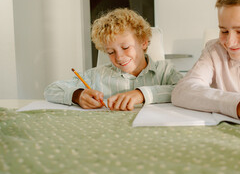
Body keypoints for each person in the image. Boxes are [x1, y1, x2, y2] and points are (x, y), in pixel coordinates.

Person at [44, 8, 183, 111]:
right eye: (110, 52)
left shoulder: (165, 71)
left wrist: (141, 94)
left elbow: (184, 91)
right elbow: (51, 90)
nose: (119, 57)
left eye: (126, 47)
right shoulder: (97, 76)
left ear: (143, 42)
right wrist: (77, 95)